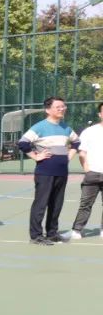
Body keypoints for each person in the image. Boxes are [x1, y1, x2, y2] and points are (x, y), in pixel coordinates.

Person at [17, 97, 79, 245]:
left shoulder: (66, 128)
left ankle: (52, 233)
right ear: (48, 110)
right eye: (58, 107)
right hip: (45, 172)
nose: (62, 109)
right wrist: (36, 156)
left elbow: (76, 142)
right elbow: (23, 143)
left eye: (63, 106)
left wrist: (68, 156)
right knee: (41, 204)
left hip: (62, 172)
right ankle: (36, 236)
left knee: (56, 204)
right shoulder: (40, 127)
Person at [69, 102, 103, 240]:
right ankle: (77, 230)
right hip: (92, 173)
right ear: (100, 114)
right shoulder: (89, 131)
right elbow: (82, 152)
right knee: (85, 204)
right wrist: (87, 170)